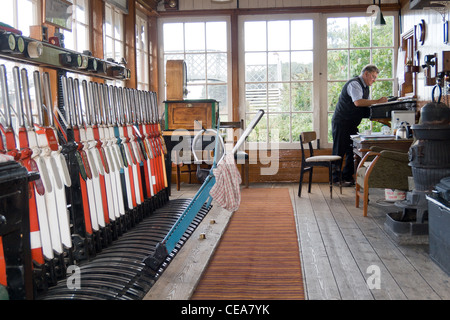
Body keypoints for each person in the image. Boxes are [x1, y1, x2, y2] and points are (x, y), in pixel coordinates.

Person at [331, 64, 388, 186]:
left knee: (352, 150)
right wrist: (378, 101)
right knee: (339, 151)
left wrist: (381, 118)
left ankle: (347, 177)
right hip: (341, 122)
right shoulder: (355, 84)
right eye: (373, 77)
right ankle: (335, 179)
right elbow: (358, 102)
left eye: (375, 77)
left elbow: (366, 107)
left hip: (351, 123)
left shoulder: (365, 86)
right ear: (366, 74)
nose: (374, 80)